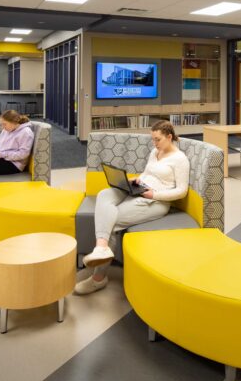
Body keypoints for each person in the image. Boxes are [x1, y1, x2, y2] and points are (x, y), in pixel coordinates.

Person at [75, 120, 190, 295]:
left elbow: (181, 191)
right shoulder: (155, 151)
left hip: (156, 201)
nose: (154, 143)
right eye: (152, 139)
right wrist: (137, 179)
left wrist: (155, 195)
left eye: (158, 139)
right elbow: (148, 173)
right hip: (139, 188)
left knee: (111, 222)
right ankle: (101, 247)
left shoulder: (180, 159)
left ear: (169, 137)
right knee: (104, 194)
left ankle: (98, 279)